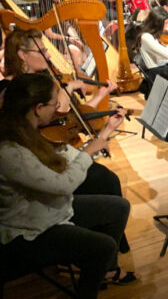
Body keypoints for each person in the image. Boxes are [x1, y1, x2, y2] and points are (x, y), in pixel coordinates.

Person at [0, 73, 138, 298]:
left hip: (51, 208)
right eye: (54, 104)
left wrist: (105, 132)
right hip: (29, 228)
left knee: (119, 207)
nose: (58, 110)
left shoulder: (27, 130)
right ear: (38, 107)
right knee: (103, 246)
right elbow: (63, 185)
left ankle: (99, 269)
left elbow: (62, 154)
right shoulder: (10, 150)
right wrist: (90, 151)